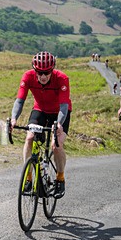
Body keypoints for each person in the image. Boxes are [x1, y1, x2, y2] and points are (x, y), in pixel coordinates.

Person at [9, 51, 71, 198]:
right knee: (29, 138)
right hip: (40, 110)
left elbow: (64, 106)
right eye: (39, 72)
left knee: (56, 145)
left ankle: (60, 179)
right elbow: (20, 101)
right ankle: (29, 178)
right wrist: (13, 119)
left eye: (47, 72)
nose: (43, 76)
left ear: (52, 69)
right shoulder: (28, 76)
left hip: (60, 113)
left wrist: (59, 124)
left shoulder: (62, 78)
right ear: (34, 70)